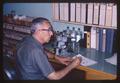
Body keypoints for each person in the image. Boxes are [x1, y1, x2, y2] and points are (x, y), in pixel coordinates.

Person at [16, 17, 81, 80]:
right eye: (49, 30)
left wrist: (57, 57)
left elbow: (43, 51)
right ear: (39, 31)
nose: (52, 33)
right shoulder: (36, 51)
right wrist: (72, 65)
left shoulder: (27, 40)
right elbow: (54, 77)